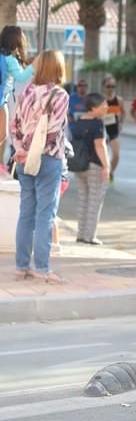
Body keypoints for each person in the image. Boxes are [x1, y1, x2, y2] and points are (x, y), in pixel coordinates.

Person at [10, 50, 70, 284]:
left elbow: (14, 125)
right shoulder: (60, 95)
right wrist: (34, 151)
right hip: (47, 159)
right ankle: (43, 268)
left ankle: (21, 266)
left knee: (26, 213)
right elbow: (53, 132)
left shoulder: (26, 92)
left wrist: (21, 150)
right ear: (58, 68)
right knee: (45, 214)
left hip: (24, 160)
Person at [70, 93, 110, 245]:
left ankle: (81, 234)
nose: (106, 107)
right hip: (95, 166)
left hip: (80, 166)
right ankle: (90, 236)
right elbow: (100, 145)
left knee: (83, 200)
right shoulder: (97, 123)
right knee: (95, 200)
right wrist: (106, 166)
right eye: (103, 105)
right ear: (93, 108)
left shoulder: (78, 122)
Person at [1, 25, 34, 163]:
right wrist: (35, 64)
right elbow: (21, 77)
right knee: (3, 134)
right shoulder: (10, 59)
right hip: (1, 101)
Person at [102, 76, 125, 181]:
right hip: (101, 131)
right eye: (108, 86)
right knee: (100, 156)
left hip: (113, 130)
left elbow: (123, 112)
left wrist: (121, 123)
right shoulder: (100, 99)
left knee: (116, 155)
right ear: (104, 87)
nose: (110, 88)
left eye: (113, 86)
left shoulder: (119, 100)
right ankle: (101, 173)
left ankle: (110, 173)